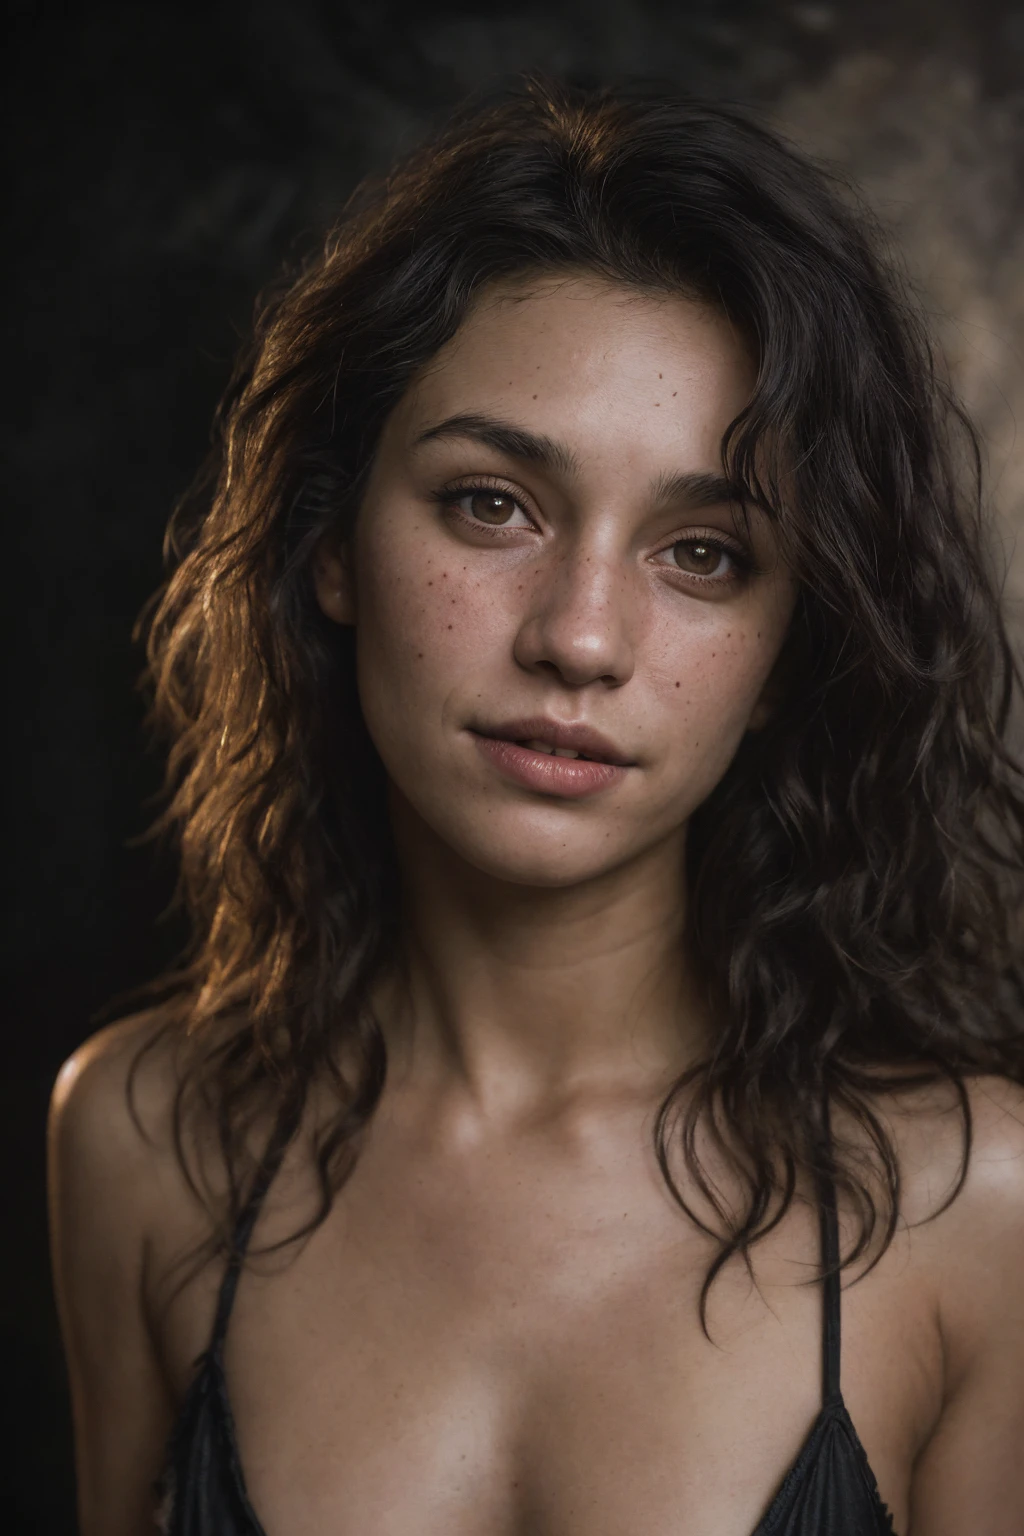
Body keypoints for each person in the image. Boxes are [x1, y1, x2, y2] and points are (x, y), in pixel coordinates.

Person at [47, 79, 1024, 1536]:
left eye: (703, 553)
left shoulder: (974, 1203)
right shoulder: (143, 1143)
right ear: (331, 547)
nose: (579, 637)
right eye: (493, 504)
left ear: (782, 653)